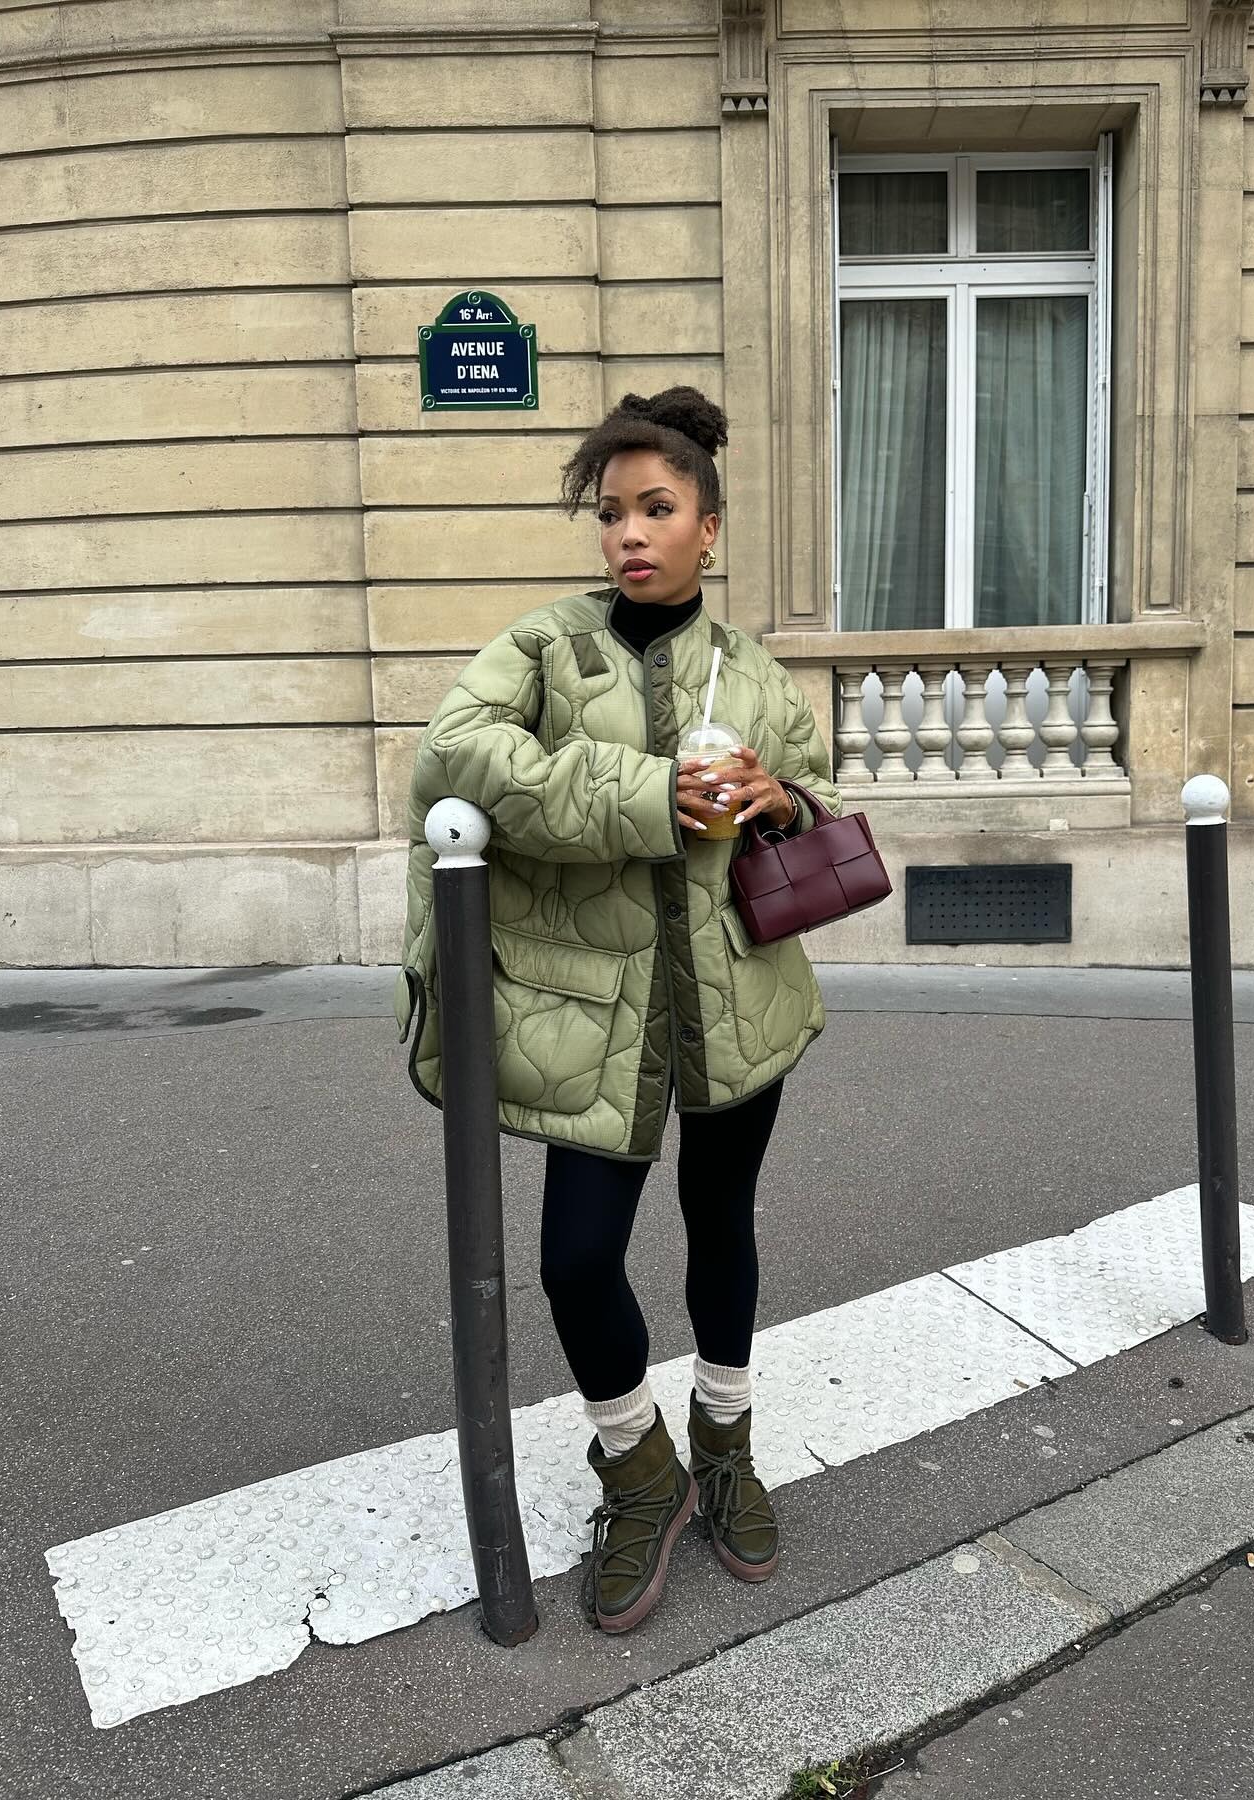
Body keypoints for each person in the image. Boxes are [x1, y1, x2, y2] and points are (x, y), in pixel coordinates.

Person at [394, 386, 844, 1635]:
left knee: (723, 1230)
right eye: (611, 514)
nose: (629, 535)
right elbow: (454, 757)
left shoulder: (751, 668)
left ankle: (726, 1446)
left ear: (711, 526)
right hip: (592, 1017)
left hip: (738, 1003)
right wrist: (647, 794)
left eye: (657, 509)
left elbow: (818, 790)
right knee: (576, 1258)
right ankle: (637, 1469)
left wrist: (778, 798)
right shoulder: (544, 647)